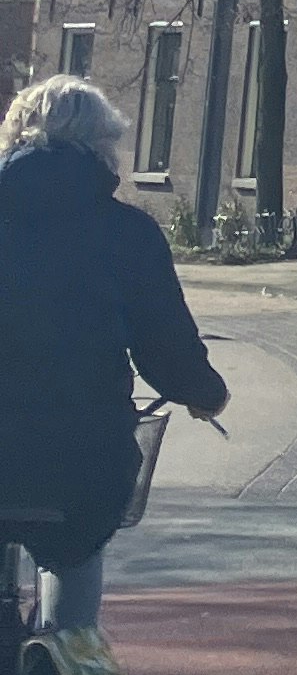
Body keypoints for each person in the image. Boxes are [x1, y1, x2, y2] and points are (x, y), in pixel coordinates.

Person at [0, 74, 228, 631]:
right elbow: (165, 343)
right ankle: (73, 674)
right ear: (103, 146)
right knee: (75, 568)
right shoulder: (128, 232)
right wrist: (205, 394)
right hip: (80, 457)